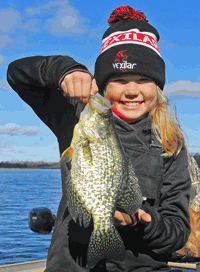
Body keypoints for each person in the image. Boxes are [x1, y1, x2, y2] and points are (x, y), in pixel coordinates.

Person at [7, 5, 191, 272]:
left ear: (158, 86)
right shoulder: (77, 116)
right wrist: (65, 70)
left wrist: (141, 221)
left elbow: (177, 232)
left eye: (142, 79)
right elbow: (17, 73)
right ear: (103, 84)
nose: (131, 90)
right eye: (119, 79)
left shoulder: (170, 143)